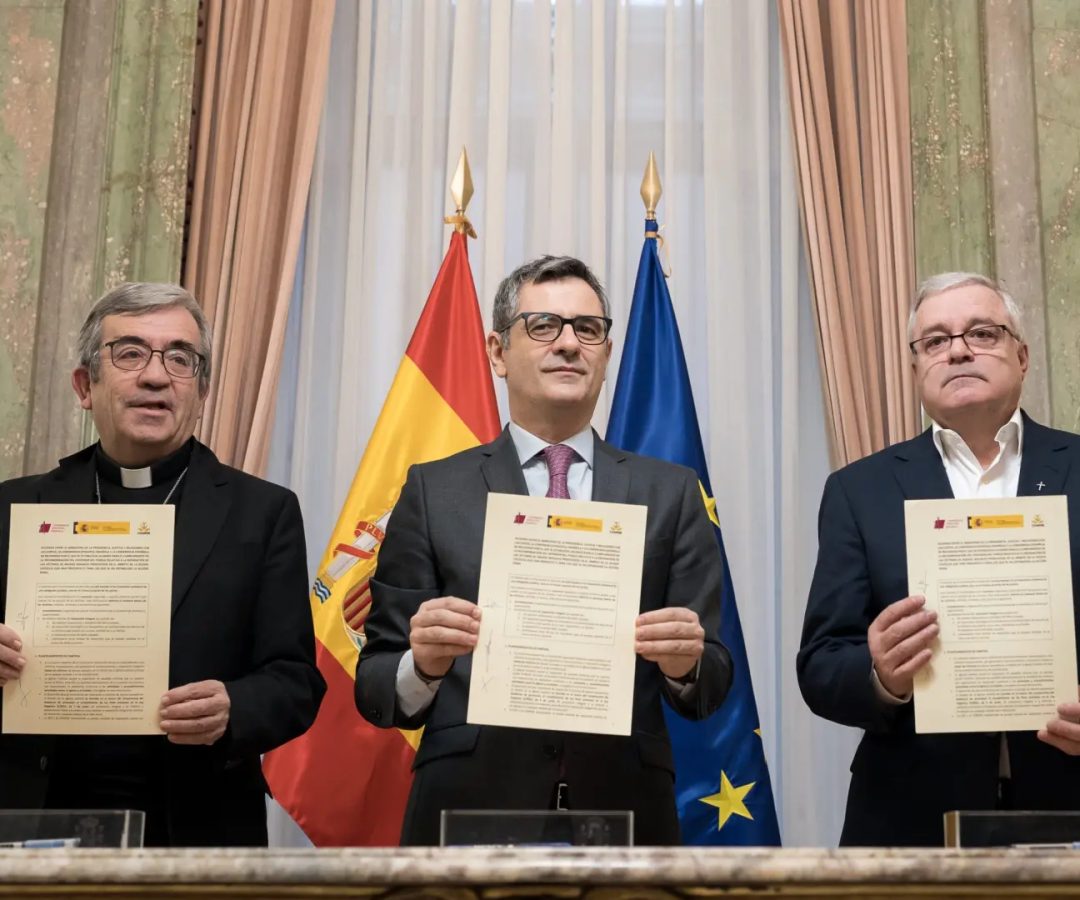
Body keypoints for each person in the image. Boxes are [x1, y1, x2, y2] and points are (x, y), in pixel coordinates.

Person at [355, 255, 733, 845]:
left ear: (606, 355)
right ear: (498, 353)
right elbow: (376, 687)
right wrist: (423, 663)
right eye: (542, 326)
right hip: (468, 807)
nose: (568, 344)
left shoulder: (672, 491)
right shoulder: (433, 491)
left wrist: (685, 665)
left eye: (588, 329)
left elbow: (711, 682)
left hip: (625, 810)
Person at [0, 283, 325, 846]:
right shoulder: (14, 507)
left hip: (198, 826)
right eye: (129, 354)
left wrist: (234, 707)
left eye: (180, 358)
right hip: (33, 821)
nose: (156, 376)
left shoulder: (262, 513)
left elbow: (294, 682)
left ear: (201, 392)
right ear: (85, 385)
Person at [798, 272, 1080, 846]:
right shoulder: (859, 489)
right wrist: (879, 675)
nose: (957, 350)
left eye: (981, 332)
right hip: (910, 815)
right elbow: (822, 664)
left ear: (1022, 356)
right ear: (916, 368)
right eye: (934, 341)